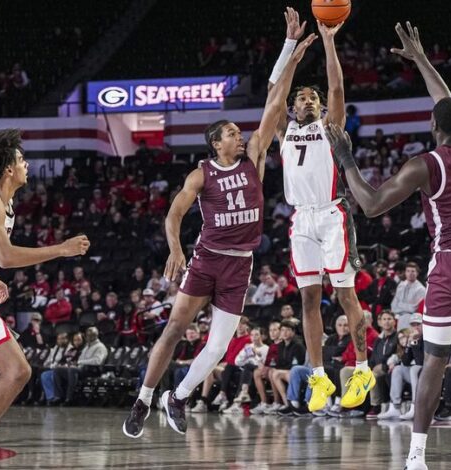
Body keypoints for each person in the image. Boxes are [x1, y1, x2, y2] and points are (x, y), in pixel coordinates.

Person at [122, 9, 316, 438]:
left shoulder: (255, 158)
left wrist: (291, 54)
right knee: (175, 328)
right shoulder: (200, 174)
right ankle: (144, 398)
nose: (239, 135)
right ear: (216, 142)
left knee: (220, 344)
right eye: (231, 132)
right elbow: (173, 214)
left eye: (237, 131)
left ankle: (179, 395)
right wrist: (175, 248)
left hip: (240, 264)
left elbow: (273, 102)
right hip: (207, 258)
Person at [326, 21, 451, 470]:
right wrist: (422, 59)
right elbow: (447, 105)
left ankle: (417, 455)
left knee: (435, 362)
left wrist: (345, 154)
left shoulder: (424, 165)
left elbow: (368, 204)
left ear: (432, 125)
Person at [0, 129, 89, 469]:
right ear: (7, 168)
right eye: (20, 159)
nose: (26, 164)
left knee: (17, 371)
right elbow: (5, 255)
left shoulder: (5, 204)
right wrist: (61, 249)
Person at [276, 16, 374, 414]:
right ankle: (319, 375)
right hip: (301, 219)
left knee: (346, 293)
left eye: (312, 99)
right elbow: (274, 91)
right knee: (308, 297)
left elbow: (336, 87)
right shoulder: (283, 129)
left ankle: (363, 368)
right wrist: (291, 56)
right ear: (292, 106)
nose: (308, 101)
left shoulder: (331, 127)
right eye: (302, 98)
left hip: (332, 215)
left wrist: (329, 42)